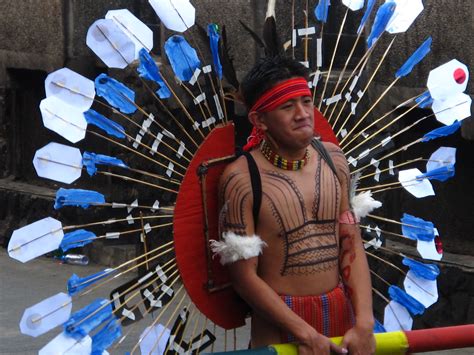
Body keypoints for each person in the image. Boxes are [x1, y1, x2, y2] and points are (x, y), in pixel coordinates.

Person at [212, 55, 375, 355]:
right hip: (280, 329)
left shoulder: (334, 160)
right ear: (260, 120)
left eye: (306, 102)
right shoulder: (241, 179)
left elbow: (351, 241)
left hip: (341, 318)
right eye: (287, 106)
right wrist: (304, 333)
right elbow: (243, 276)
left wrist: (365, 322)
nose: (302, 114)